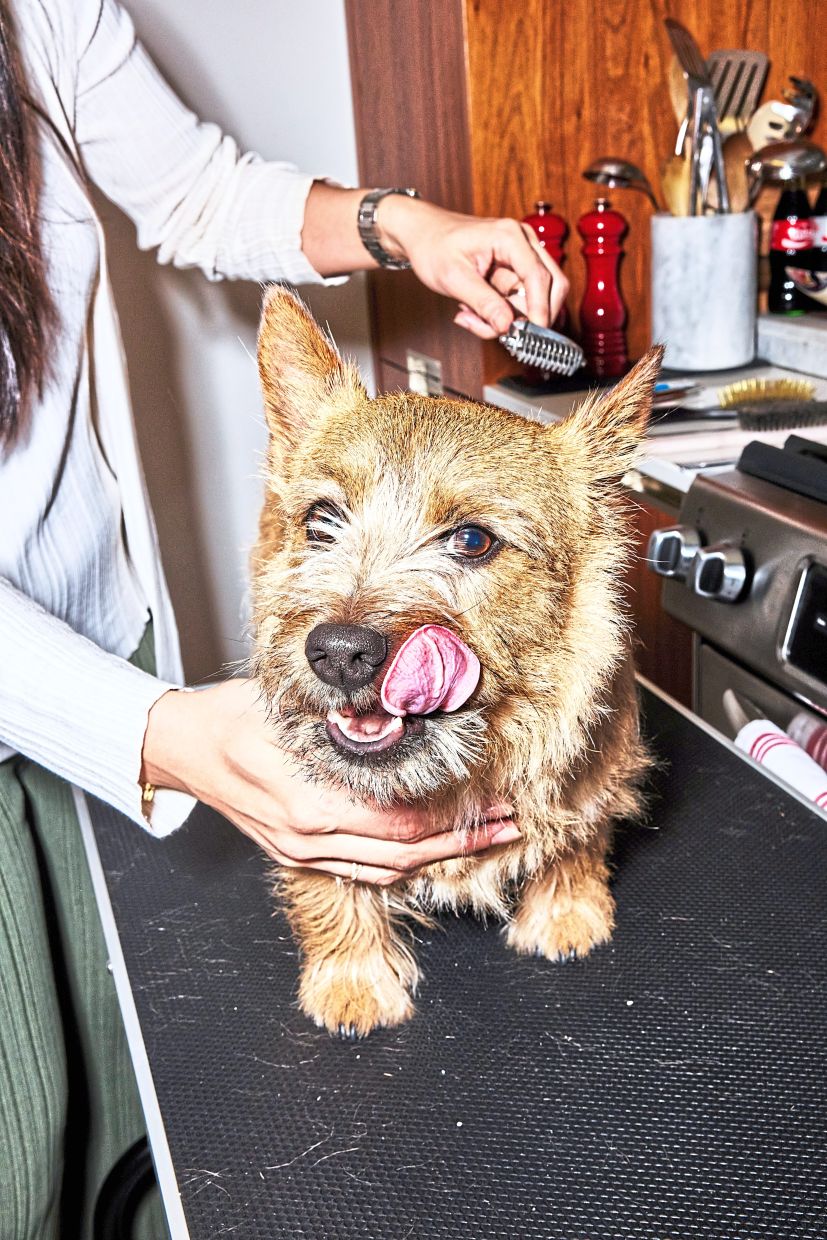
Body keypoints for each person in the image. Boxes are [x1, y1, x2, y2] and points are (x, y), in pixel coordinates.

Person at [0, 1, 568, 1236]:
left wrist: (405, 225)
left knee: (140, 1104)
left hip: (101, 631)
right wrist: (147, 726)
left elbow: (195, 190)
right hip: (101, 696)